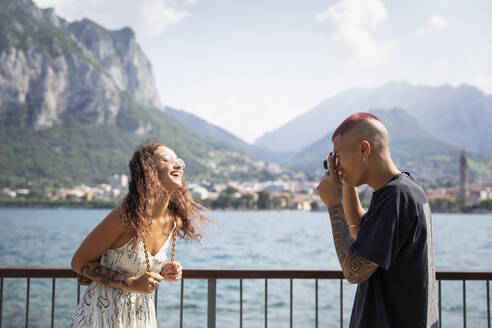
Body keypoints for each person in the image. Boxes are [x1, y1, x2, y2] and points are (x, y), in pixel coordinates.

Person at [316, 112, 438, 328]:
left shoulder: (396, 197)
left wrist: (333, 205)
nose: (336, 165)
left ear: (364, 149)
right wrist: (345, 184)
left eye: (338, 156)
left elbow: (355, 270)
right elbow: (362, 232)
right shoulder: (404, 190)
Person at [71, 142, 208, 327]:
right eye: (168, 160)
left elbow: (141, 268)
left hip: (140, 315)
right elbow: (79, 262)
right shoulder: (125, 217)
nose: (178, 166)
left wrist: (166, 271)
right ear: (148, 170)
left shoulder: (174, 220)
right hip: (101, 315)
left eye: (179, 161)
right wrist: (131, 283)